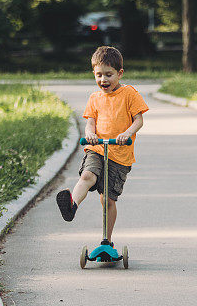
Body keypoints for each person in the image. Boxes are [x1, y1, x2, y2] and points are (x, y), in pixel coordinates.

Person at [56, 46, 149, 245]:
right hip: (97, 148)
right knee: (87, 175)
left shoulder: (129, 94)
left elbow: (138, 120)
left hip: (119, 154)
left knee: (107, 200)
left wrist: (127, 133)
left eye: (109, 75)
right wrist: (89, 134)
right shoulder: (95, 98)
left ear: (119, 73)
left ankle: (106, 240)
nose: (103, 80)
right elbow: (90, 122)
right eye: (99, 75)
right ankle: (72, 205)